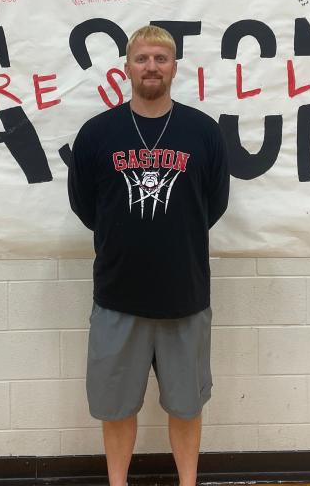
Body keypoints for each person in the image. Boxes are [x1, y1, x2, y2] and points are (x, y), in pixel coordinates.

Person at [68, 25, 230, 486]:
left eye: (161, 58)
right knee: (115, 408)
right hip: (119, 297)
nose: (152, 67)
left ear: (175, 66)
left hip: (185, 297)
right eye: (142, 58)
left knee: (186, 406)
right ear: (126, 66)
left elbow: (211, 205)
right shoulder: (99, 133)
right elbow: (85, 205)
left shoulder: (204, 132)